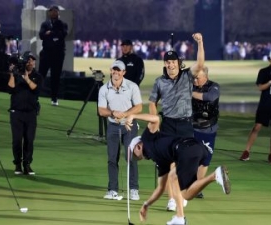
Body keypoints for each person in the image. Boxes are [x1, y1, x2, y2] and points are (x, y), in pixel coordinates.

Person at [124, 113, 230, 225]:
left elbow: (155, 119)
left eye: (134, 155)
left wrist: (133, 116)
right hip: (195, 147)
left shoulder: (147, 138)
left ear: (138, 146)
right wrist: (146, 204)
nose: (136, 158)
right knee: (173, 176)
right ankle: (180, 217)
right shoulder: (160, 160)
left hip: (186, 150)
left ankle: (215, 175)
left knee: (186, 194)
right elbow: (160, 188)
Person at [148, 33, 205, 211]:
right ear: (165, 64)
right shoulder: (159, 82)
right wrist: (154, 120)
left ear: (178, 63)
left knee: (184, 161)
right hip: (168, 125)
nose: (171, 64)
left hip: (185, 124)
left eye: (174, 61)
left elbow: (201, 64)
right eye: (168, 62)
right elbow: (152, 102)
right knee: (170, 162)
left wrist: (200, 43)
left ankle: (182, 192)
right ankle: (173, 199)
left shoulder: (187, 76)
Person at [98, 60, 143, 201]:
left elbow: (139, 107)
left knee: (130, 156)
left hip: (129, 124)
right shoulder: (104, 89)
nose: (116, 73)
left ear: (124, 72)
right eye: (114, 70)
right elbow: (101, 110)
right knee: (112, 158)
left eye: (119, 71)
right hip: (113, 126)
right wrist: (113, 114)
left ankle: (134, 189)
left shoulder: (132, 86)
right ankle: (112, 190)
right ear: (111, 71)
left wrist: (124, 114)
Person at [239, 49, 271, 163]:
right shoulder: (263, 71)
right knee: (257, 126)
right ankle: (246, 151)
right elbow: (260, 87)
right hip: (265, 103)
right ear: (269, 59)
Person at [7, 52, 42, 175]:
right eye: (28, 60)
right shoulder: (16, 74)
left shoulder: (38, 76)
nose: (31, 62)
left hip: (31, 113)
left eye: (33, 60)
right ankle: (17, 164)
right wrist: (12, 74)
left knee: (29, 140)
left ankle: (27, 164)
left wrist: (26, 78)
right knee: (17, 140)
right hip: (16, 112)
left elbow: (36, 89)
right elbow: (10, 89)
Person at [191, 66, 220, 199]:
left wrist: (190, 93)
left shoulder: (214, 87)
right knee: (191, 157)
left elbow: (210, 97)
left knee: (205, 159)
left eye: (198, 77)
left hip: (208, 129)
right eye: (194, 77)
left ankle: (197, 187)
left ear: (205, 77)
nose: (195, 80)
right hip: (192, 128)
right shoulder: (190, 85)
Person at [38, 5, 68, 106]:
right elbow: (41, 35)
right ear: (49, 13)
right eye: (52, 11)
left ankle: (54, 98)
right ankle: (35, 95)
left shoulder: (63, 24)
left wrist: (50, 33)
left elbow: (63, 34)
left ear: (58, 13)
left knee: (56, 76)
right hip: (46, 52)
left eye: (56, 11)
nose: (54, 13)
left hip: (58, 54)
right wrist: (53, 34)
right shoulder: (45, 23)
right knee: (41, 75)